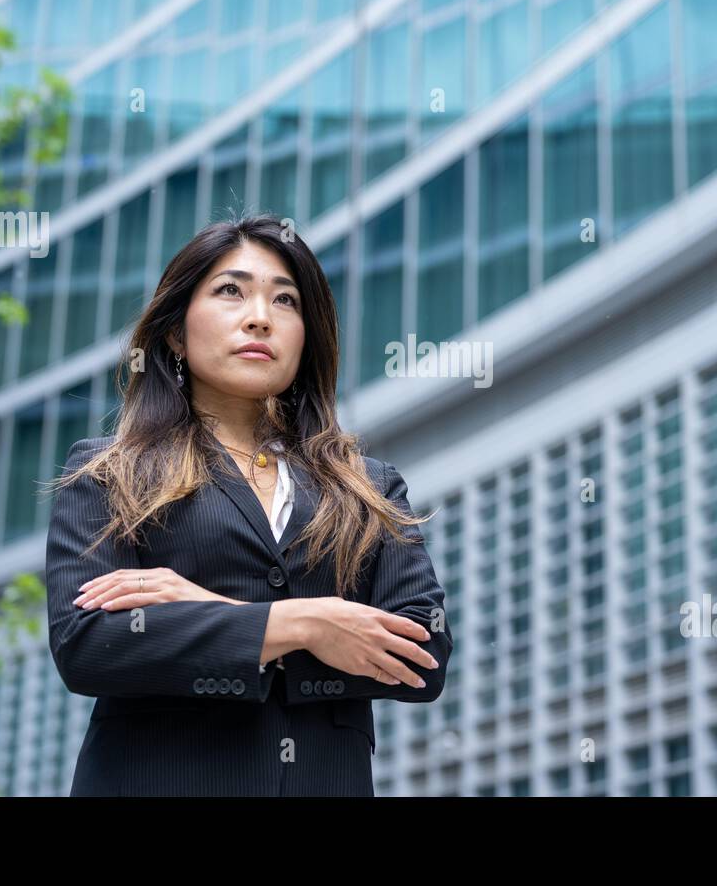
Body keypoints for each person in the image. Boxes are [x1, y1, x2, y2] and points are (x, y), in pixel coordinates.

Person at [43, 214, 453, 796]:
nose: (260, 316)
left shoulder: (368, 487)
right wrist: (308, 624)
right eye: (231, 291)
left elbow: (422, 656)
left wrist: (207, 609)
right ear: (176, 333)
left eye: (285, 301)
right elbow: (88, 644)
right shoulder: (110, 472)